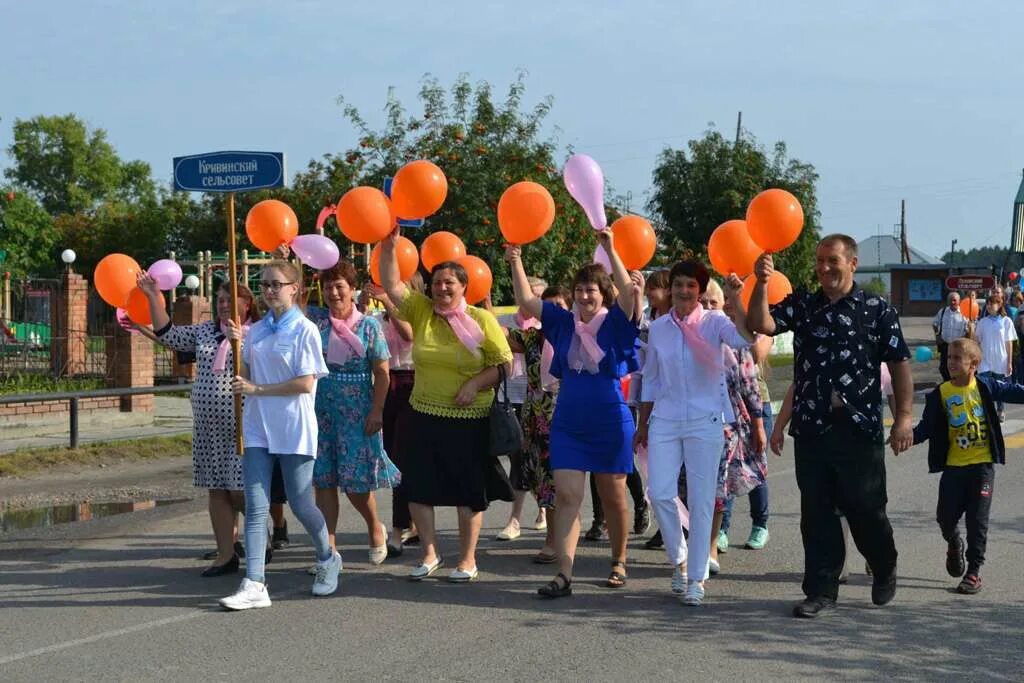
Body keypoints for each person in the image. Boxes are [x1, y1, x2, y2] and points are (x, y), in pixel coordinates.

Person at [747, 234, 914, 619]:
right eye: (820, 261)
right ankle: (821, 589)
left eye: (832, 261)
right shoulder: (805, 305)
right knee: (817, 512)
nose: (824, 268)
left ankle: (884, 564)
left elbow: (901, 365)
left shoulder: (877, 310)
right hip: (813, 428)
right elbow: (761, 323)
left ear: (852, 263)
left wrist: (904, 417)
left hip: (859, 429)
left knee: (866, 508)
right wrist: (760, 281)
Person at [507, 231, 639, 598]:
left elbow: (629, 295)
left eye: (591, 290)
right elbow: (526, 300)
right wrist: (516, 260)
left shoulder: (615, 321)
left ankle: (619, 559)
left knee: (613, 496)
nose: (584, 296)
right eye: (579, 290)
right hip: (568, 421)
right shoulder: (563, 322)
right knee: (567, 497)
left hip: (610, 420)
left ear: (603, 293)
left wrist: (612, 248)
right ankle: (565, 574)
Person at [379, 228, 515, 583]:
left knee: (467, 490)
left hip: (470, 420)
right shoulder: (422, 312)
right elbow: (393, 285)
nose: (441, 288)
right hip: (423, 413)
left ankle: (467, 559)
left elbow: (504, 364)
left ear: (463, 287)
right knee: (418, 486)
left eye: (449, 283)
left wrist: (474, 383)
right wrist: (389, 246)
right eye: (437, 282)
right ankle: (429, 553)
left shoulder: (481, 319)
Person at [218, 260, 340, 610]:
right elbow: (244, 375)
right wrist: (236, 347)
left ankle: (328, 557)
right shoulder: (253, 331)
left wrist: (257, 389)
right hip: (258, 427)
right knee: (256, 507)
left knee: (301, 504)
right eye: (265, 284)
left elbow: (305, 382)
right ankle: (255, 582)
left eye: (276, 284)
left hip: (293, 427)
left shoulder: (305, 330)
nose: (269, 290)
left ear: (294, 288)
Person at [634, 264, 751, 606]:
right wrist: (643, 423)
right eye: (678, 285)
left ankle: (695, 577)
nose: (684, 291)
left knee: (701, 500)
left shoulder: (714, 322)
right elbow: (651, 379)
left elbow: (745, 338)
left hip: (705, 418)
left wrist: (735, 297)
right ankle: (680, 557)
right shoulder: (658, 329)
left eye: (691, 286)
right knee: (658, 492)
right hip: (666, 418)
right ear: (670, 289)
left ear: (699, 291)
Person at [137, 273, 262, 577]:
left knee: (238, 488)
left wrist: (241, 341)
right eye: (219, 300)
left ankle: (261, 536)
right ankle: (225, 554)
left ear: (246, 305)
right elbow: (168, 335)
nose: (222, 305)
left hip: (243, 424)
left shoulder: (258, 333)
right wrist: (154, 296)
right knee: (216, 488)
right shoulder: (205, 331)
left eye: (230, 300)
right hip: (208, 427)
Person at [906, 338, 1024, 594]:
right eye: (949, 358)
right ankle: (953, 542)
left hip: (982, 466)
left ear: (974, 364)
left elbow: (1016, 391)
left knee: (977, 520)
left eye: (958, 358)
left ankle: (973, 572)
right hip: (954, 467)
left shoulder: (987, 386)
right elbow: (926, 428)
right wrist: (907, 438)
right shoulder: (940, 394)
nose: (951, 363)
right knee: (945, 518)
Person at [306, 261, 400, 567]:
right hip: (321, 408)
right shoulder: (316, 320)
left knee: (356, 483)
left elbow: (383, 373)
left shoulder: (369, 325)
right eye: (328, 287)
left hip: (358, 410)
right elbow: (291, 305)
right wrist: (293, 262)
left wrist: (377, 410)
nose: (333, 293)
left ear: (351, 289)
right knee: (323, 480)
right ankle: (328, 549)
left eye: (339, 286)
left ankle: (375, 527)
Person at [506, 284, 572, 563]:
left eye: (560, 305)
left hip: (567, 418)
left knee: (561, 483)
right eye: (548, 305)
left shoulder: (578, 336)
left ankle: (556, 541)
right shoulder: (532, 337)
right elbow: (500, 338)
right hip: (535, 420)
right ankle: (557, 538)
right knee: (541, 481)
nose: (554, 310)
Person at [365, 277, 422, 557]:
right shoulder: (376, 317)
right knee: (390, 456)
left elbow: (410, 334)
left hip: (412, 383)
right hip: (384, 385)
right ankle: (414, 521)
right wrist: (363, 306)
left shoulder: (421, 313)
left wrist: (387, 299)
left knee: (403, 457)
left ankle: (399, 530)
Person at [495, 276, 549, 541]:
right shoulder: (505, 325)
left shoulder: (546, 328)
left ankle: (543, 511)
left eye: (538, 296)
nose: (533, 300)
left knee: (543, 462)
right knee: (519, 460)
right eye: (529, 294)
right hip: (512, 401)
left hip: (545, 406)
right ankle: (514, 519)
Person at [974, 289, 1017, 422]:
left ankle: (1000, 409)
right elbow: (977, 341)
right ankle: (988, 411)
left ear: (999, 305)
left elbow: (1009, 343)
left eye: (992, 303)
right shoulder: (982, 322)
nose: (989, 306)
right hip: (985, 360)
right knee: (985, 386)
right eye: (988, 303)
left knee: (999, 387)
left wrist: (1009, 362)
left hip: (1000, 359)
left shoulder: (1006, 321)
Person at [932, 292, 970, 382]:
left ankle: (956, 384)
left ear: (959, 301)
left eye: (954, 300)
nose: (952, 302)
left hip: (958, 347)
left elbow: (968, 330)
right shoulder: (943, 311)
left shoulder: (964, 313)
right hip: (945, 346)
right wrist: (937, 335)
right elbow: (934, 323)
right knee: (943, 368)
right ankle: (947, 384)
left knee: (958, 367)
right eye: (950, 300)